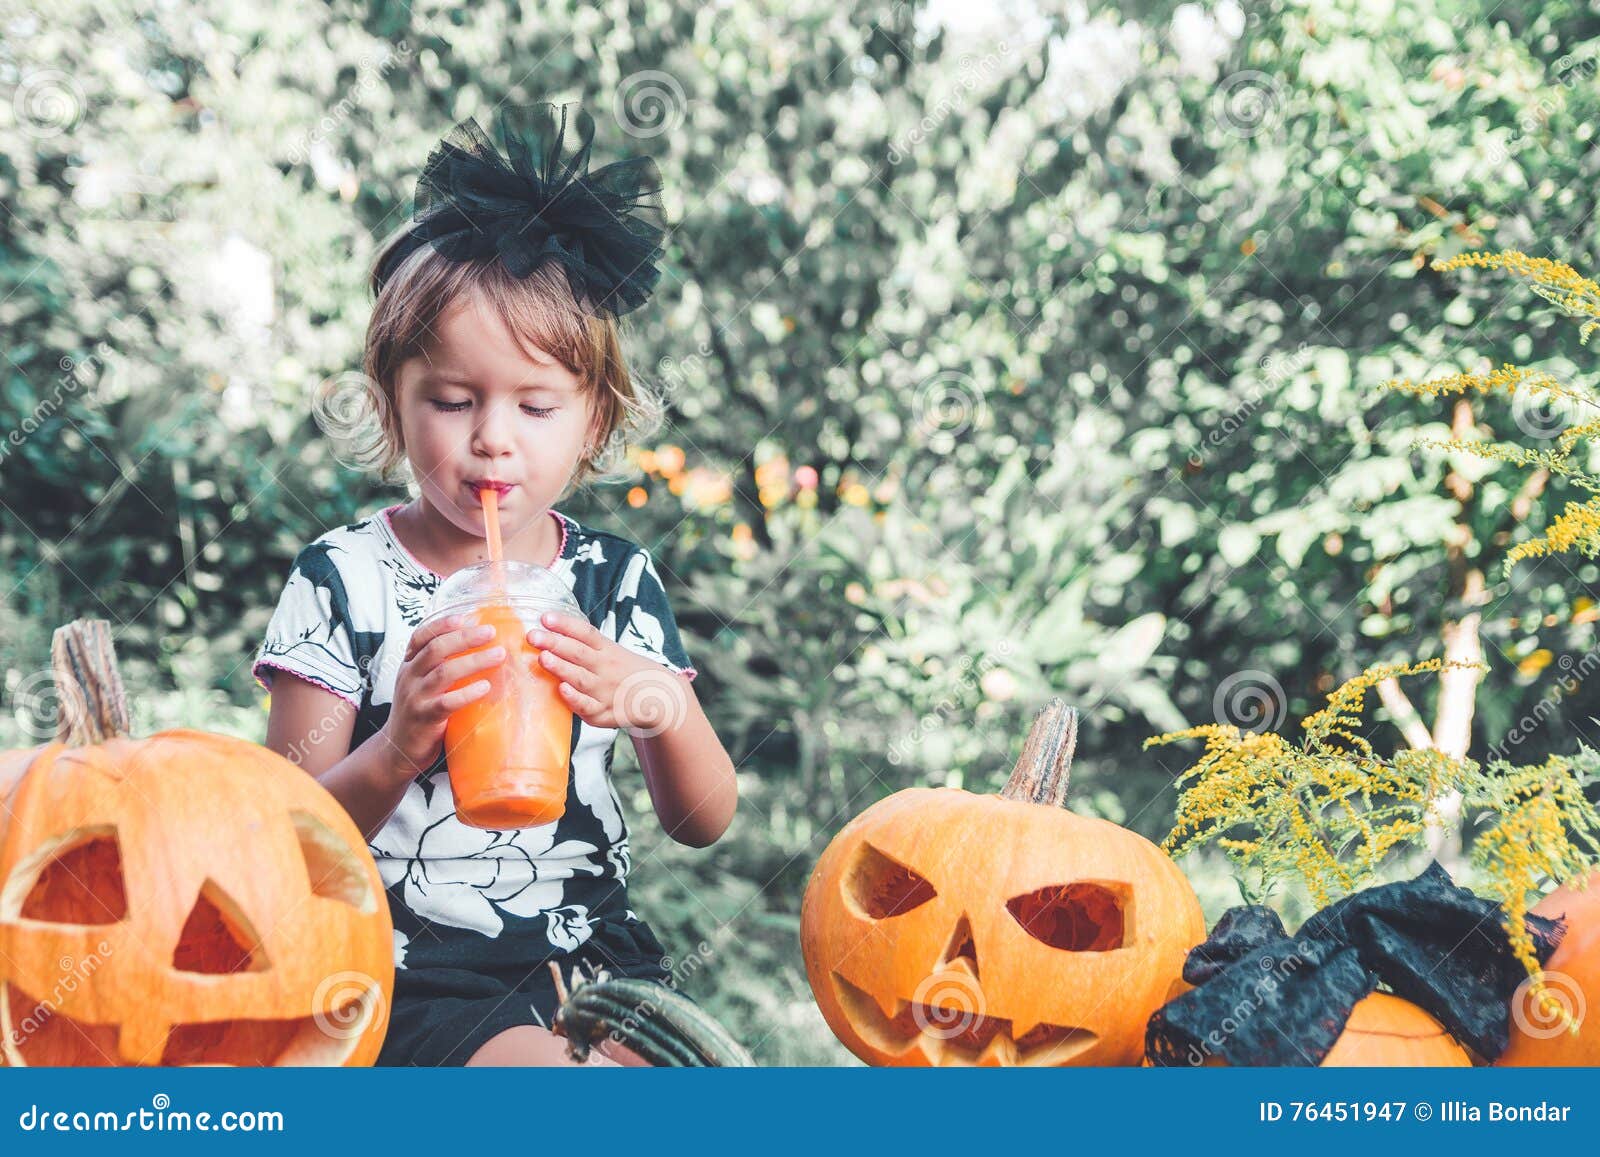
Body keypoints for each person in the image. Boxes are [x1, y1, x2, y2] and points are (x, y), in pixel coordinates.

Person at [253, 102, 737, 1067]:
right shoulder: (344, 580)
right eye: (453, 398)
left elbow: (703, 819)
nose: (493, 437)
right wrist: (396, 747)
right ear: (393, 400)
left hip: (593, 957)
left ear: (594, 421)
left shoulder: (610, 580)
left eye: (537, 404)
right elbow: (289, 839)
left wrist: (647, 701)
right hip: (402, 958)